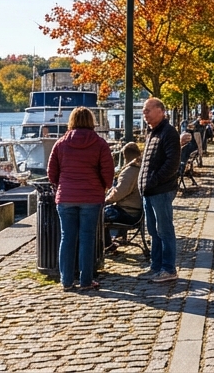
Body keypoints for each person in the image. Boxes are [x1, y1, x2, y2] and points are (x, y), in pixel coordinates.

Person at [48, 106, 114, 291]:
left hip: (66, 197)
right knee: (87, 239)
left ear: (72, 121)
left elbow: (51, 172)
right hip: (91, 197)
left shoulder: (60, 144)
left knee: (67, 238)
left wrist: (60, 186)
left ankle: (66, 281)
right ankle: (86, 280)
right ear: (91, 122)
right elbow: (108, 171)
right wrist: (103, 186)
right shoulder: (100, 143)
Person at [138, 97, 181, 283]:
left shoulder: (168, 133)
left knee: (164, 230)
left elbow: (172, 163)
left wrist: (154, 181)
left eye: (147, 110)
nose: (144, 114)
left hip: (160, 190)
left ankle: (168, 268)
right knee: (154, 231)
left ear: (160, 111)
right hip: (149, 190)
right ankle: (156, 266)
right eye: (144, 111)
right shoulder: (152, 132)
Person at [104, 142, 143, 252]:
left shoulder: (131, 171)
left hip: (128, 212)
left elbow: (120, 192)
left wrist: (106, 200)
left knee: (97, 215)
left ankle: (106, 244)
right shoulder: (140, 168)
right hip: (135, 209)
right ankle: (110, 241)